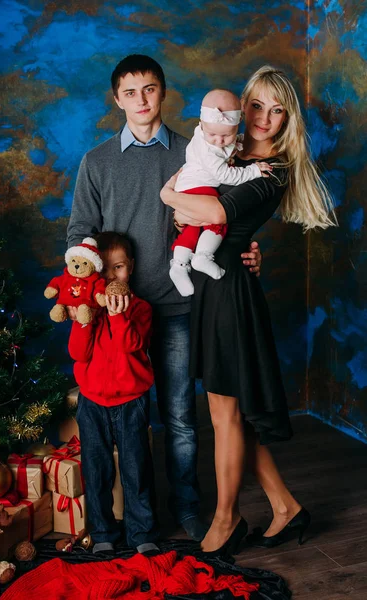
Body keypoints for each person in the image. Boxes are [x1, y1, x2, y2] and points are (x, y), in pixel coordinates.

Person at [67, 54, 262, 542]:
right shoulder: (96, 162)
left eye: (150, 89)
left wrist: (248, 251)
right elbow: (80, 232)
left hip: (176, 308)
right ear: (117, 99)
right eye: (130, 92)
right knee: (129, 421)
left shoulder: (194, 152)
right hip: (118, 316)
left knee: (179, 417)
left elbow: (227, 214)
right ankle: (138, 519)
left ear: (164, 93)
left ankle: (189, 508)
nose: (141, 100)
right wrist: (93, 290)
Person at [160, 65, 337, 555]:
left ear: (287, 121)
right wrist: (187, 209)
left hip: (230, 291)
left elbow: (212, 213)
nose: (265, 117)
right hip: (213, 284)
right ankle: (285, 507)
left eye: (277, 111)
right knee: (232, 414)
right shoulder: (225, 149)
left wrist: (170, 196)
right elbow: (196, 216)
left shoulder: (272, 170)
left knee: (225, 414)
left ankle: (225, 519)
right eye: (257, 105)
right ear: (242, 107)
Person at [68, 232, 159, 556]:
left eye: (118, 267)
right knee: (96, 470)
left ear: (130, 267)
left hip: (131, 401)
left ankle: (141, 531)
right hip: (93, 402)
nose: (111, 276)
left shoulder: (141, 309)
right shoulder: (87, 310)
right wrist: (83, 321)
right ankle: (103, 531)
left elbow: (132, 345)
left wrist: (119, 316)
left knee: (136, 468)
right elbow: (78, 354)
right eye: (104, 269)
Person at [171, 88, 271, 297]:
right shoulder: (208, 151)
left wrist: (238, 142)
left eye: (227, 135)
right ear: (201, 125)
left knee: (193, 228)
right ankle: (203, 257)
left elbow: (230, 141)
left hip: (186, 186)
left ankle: (179, 265)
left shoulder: (209, 133)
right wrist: (253, 170)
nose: (218, 140)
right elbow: (226, 176)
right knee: (216, 221)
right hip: (198, 187)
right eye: (213, 135)